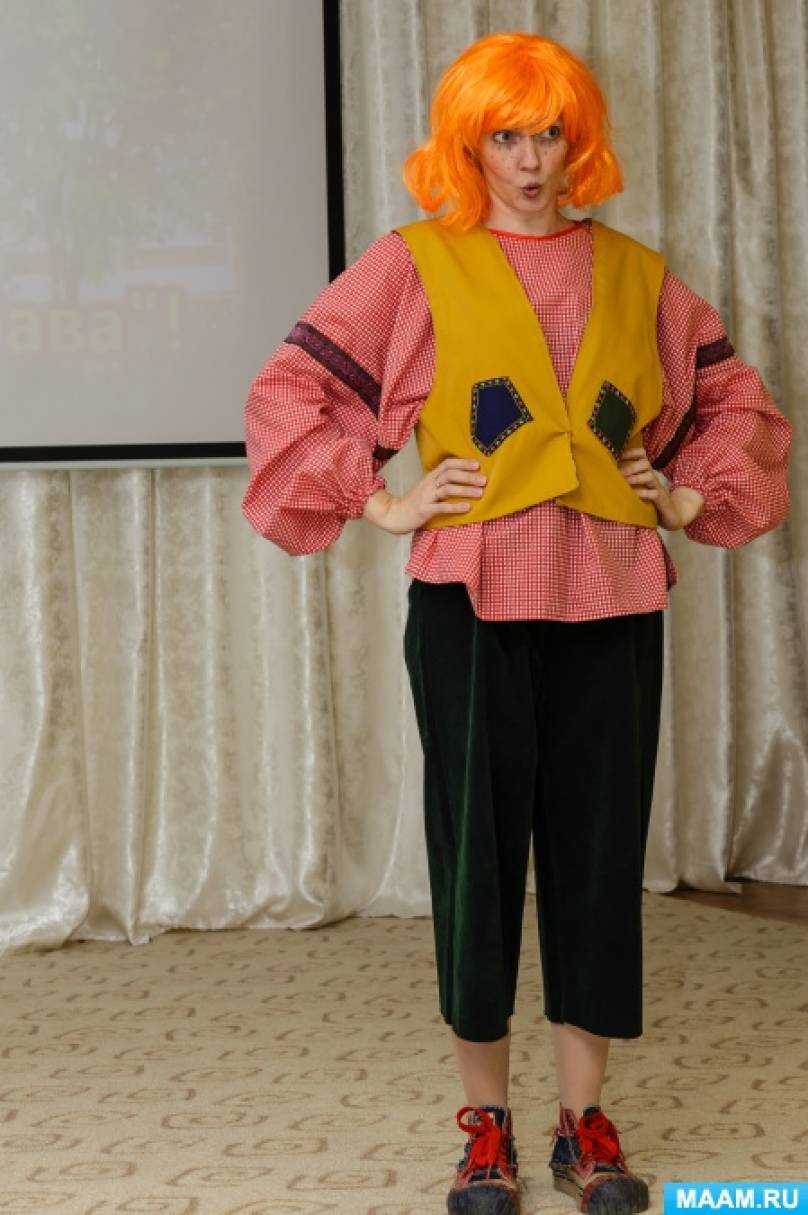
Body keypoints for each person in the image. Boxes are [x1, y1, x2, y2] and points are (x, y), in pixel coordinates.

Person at [241, 30, 792, 1215]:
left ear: (575, 141)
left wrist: (684, 495)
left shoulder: (637, 275)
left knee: (597, 858)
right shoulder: (413, 265)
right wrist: (383, 500)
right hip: (470, 600)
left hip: (612, 595)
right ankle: (483, 1123)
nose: (531, 160)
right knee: (475, 859)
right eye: (506, 136)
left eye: (548, 134)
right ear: (468, 144)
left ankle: (583, 1122)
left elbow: (736, 407)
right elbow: (291, 391)